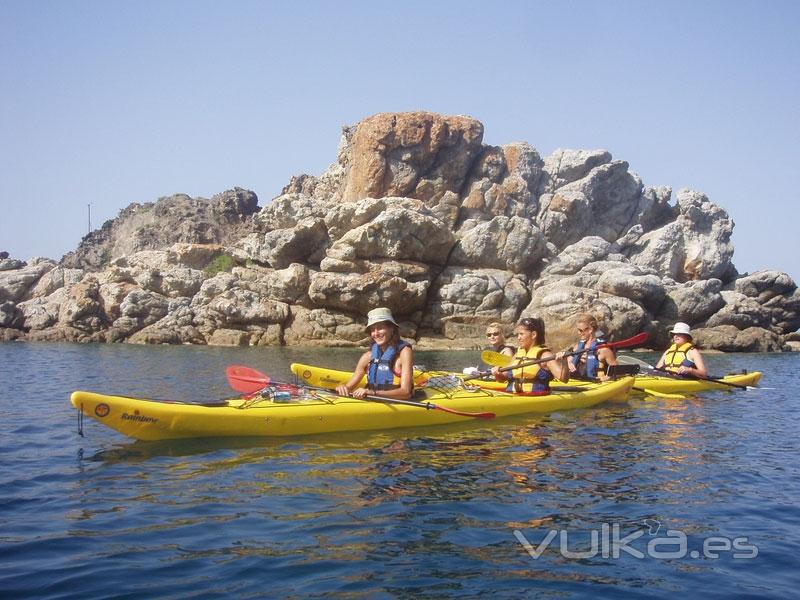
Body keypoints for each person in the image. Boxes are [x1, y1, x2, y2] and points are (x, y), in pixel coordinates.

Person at [335, 307, 415, 400]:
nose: (376, 333)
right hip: (374, 401)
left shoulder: (404, 352)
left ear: (392, 329)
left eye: (380, 328)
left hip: (398, 403)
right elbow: (348, 388)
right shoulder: (367, 356)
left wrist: (373, 393)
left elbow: (405, 392)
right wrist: (343, 388)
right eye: (372, 330)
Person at [491, 316, 569, 393]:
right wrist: (497, 373)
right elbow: (503, 378)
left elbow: (564, 379)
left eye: (521, 334)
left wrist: (564, 362)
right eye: (518, 334)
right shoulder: (517, 355)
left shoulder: (545, 355)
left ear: (533, 335)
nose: (518, 337)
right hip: (514, 395)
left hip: (535, 397)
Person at [568, 313, 617, 381]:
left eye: (581, 330)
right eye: (578, 330)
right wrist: (569, 363)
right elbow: (568, 360)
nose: (578, 333)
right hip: (576, 381)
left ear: (590, 329)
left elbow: (616, 370)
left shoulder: (603, 350)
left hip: (595, 383)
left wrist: (607, 378)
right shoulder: (578, 346)